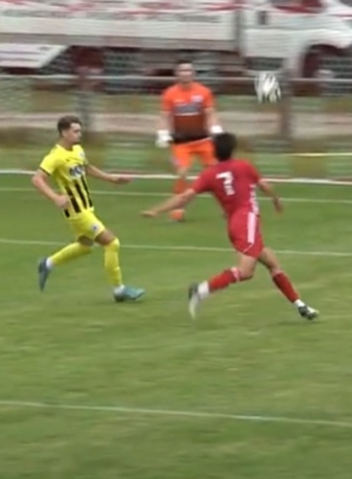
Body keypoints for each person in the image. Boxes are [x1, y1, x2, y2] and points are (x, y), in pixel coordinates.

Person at [142, 132, 319, 320]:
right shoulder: (244, 166)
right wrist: (276, 200)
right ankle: (201, 290)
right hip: (247, 221)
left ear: (214, 152)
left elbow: (184, 197)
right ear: (233, 149)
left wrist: (157, 210)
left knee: (273, 264)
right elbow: (265, 186)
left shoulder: (209, 174)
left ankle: (300, 306)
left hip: (236, 224)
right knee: (245, 271)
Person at [32, 115, 145, 303]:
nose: (79, 135)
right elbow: (37, 179)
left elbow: (87, 168)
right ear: (64, 132)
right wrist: (55, 197)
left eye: (80, 131)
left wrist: (112, 179)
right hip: (76, 211)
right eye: (75, 131)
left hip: (86, 207)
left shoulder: (77, 150)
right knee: (111, 243)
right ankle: (119, 290)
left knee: (84, 246)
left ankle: (47, 263)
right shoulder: (55, 156)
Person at [157, 59, 223, 222]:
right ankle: (177, 212)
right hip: (181, 142)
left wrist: (215, 128)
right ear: (177, 74)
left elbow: (210, 113)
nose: (185, 73)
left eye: (188, 70)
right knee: (182, 174)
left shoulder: (204, 92)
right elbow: (165, 116)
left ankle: (228, 208)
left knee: (216, 175)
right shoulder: (169, 94)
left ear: (193, 73)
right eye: (182, 70)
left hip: (203, 140)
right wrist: (163, 133)